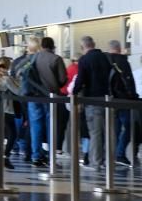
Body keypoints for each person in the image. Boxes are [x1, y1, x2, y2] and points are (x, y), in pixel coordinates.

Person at [72, 36, 111, 169]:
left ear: (83, 47)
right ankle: (108, 161)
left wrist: (74, 93)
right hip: (108, 99)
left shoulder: (84, 59)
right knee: (108, 131)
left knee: (95, 132)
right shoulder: (106, 57)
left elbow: (81, 79)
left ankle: (96, 161)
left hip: (92, 100)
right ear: (94, 44)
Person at [28, 37, 67, 167]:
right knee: (51, 127)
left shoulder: (33, 58)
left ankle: (36, 156)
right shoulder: (56, 59)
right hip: (50, 96)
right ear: (52, 46)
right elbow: (62, 80)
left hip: (34, 96)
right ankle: (51, 157)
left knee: (36, 126)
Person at [107, 39, 138, 165]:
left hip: (109, 99)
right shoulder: (123, 61)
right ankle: (120, 154)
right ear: (119, 48)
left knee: (115, 128)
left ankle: (113, 154)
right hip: (123, 99)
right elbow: (128, 80)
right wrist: (133, 95)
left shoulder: (105, 60)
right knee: (129, 126)